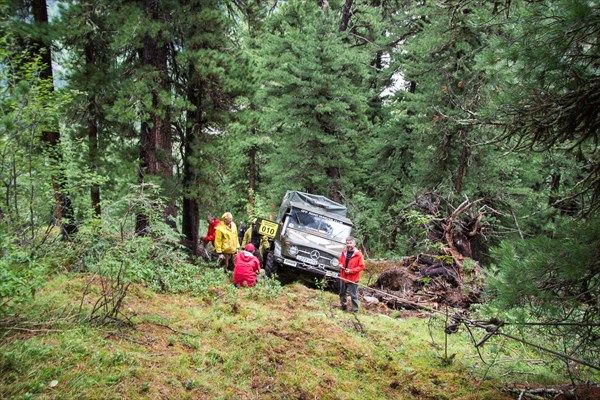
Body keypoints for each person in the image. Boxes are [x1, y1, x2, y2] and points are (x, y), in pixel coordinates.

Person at [338, 236, 365, 313]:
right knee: (342, 293)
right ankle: (343, 306)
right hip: (343, 276)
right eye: (347, 243)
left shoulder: (358, 254)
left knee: (353, 295)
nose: (349, 245)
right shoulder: (344, 252)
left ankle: (355, 310)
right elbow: (340, 261)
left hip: (353, 278)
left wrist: (351, 271)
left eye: (350, 243)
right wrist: (340, 264)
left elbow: (362, 266)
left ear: (354, 244)